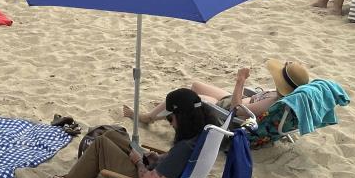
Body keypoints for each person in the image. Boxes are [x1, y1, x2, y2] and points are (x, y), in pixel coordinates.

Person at [25, 88, 210, 178]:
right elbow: (175, 162)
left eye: (170, 119)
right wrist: (159, 158)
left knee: (100, 145)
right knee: (111, 136)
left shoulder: (183, 149)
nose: (170, 123)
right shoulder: (200, 135)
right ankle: (79, 177)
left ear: (182, 117)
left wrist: (139, 161)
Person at [122, 60, 310, 125]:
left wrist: (240, 82)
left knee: (186, 96)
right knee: (195, 85)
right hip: (233, 101)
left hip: (227, 112)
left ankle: (148, 117)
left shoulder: (272, 102)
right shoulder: (281, 94)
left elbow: (238, 109)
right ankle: (163, 111)